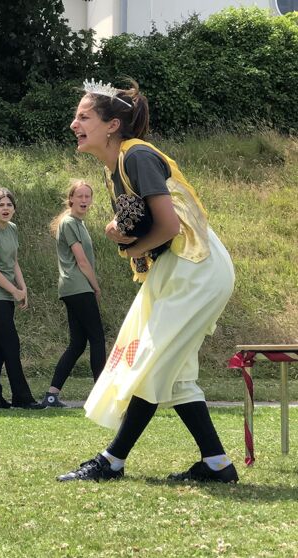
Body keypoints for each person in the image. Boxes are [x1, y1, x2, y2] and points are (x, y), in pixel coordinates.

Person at [58, 79, 238, 483]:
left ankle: (111, 460)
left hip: (196, 266)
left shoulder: (136, 155)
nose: (74, 124)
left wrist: (126, 245)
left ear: (112, 125)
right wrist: (123, 235)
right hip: (180, 267)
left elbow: (170, 227)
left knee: (150, 360)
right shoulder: (115, 168)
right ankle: (217, 464)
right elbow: (151, 227)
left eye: (84, 116)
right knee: (175, 372)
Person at [40, 180, 105, 408]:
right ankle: (101, 394)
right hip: (78, 286)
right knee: (97, 338)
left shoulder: (78, 223)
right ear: (71, 199)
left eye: (88, 196)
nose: (84, 200)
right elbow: (81, 260)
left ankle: (51, 394)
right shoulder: (69, 222)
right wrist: (96, 286)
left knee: (78, 343)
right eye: (80, 196)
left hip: (73, 287)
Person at [0, 188, 41, 410]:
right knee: (11, 343)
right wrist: (14, 290)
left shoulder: (12, 228)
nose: (5, 209)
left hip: (7, 294)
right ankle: (22, 397)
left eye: (9, 205)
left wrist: (23, 288)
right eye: (1, 205)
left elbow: (13, 263)